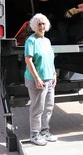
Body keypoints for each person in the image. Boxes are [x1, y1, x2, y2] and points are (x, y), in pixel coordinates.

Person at [24, 13, 57, 146]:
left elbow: (50, 59)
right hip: (36, 80)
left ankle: (45, 131)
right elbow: (28, 60)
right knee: (38, 108)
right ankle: (34, 134)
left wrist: (54, 74)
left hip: (49, 79)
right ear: (34, 26)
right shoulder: (31, 40)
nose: (41, 26)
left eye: (43, 23)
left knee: (49, 106)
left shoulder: (47, 41)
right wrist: (37, 78)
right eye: (39, 24)